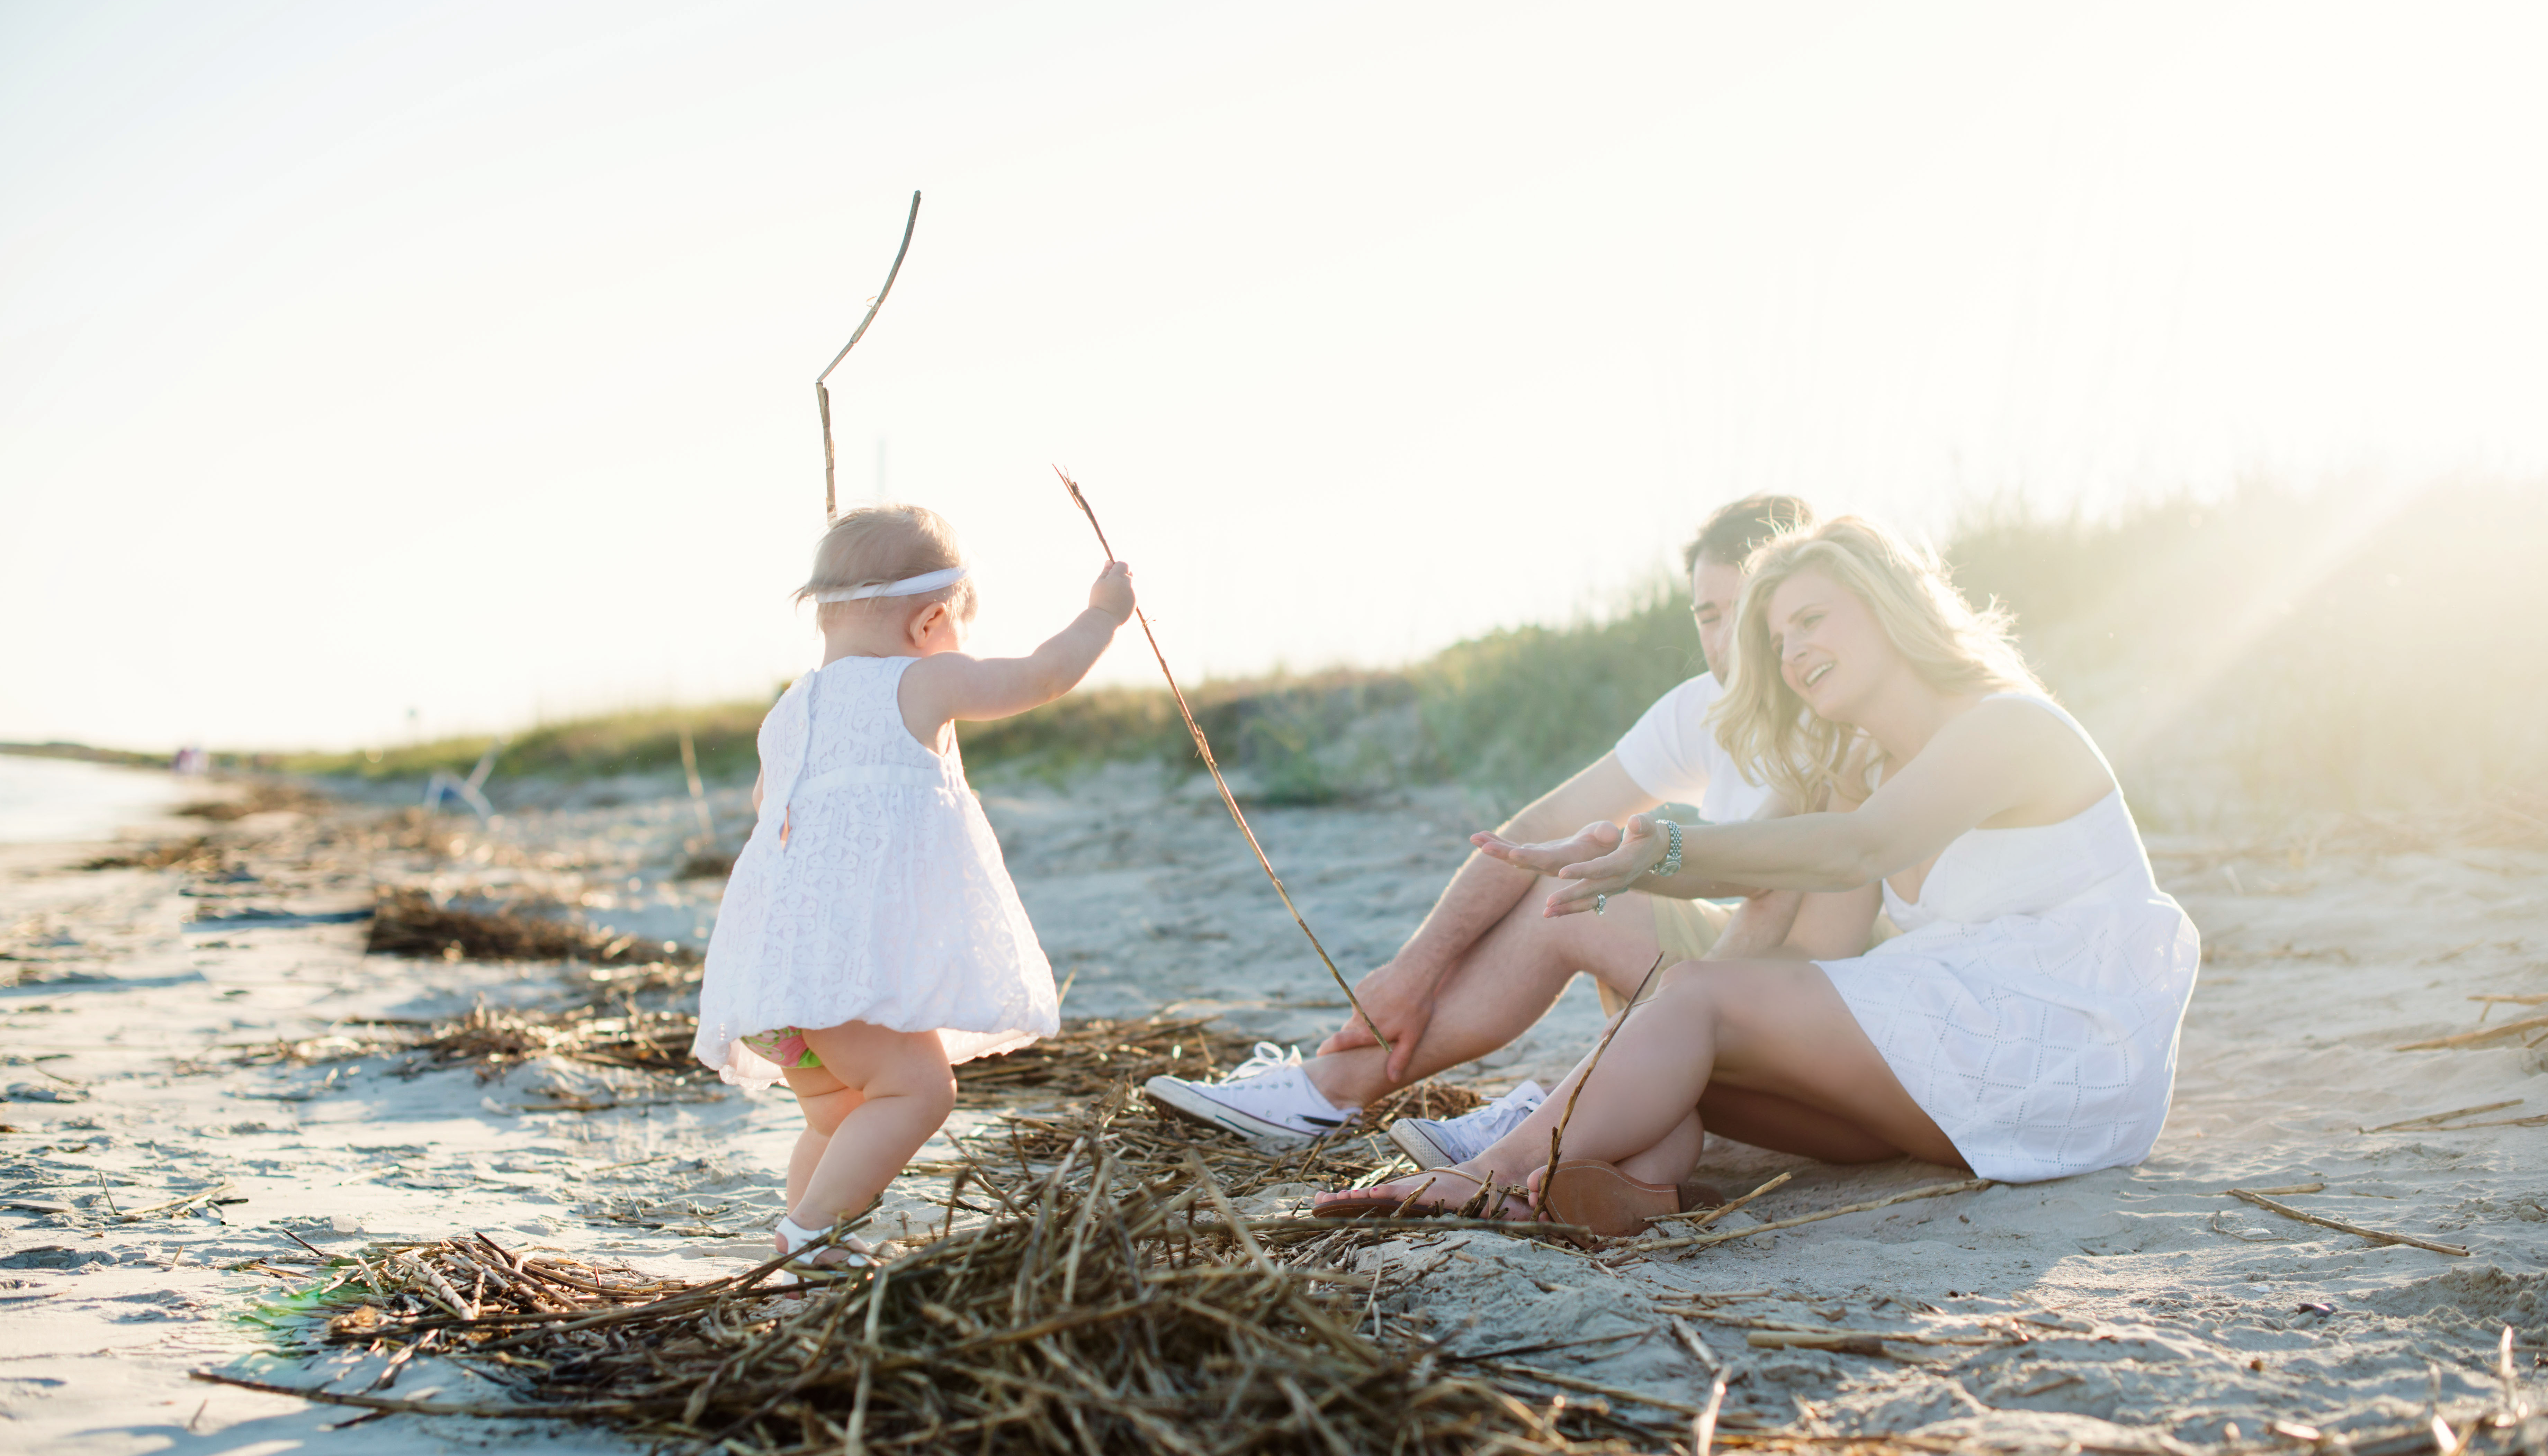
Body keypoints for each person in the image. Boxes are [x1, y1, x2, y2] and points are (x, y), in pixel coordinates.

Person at [1308, 515, 2199, 1235]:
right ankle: (1634, 1185)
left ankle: (1493, 1173)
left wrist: (1660, 858)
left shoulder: (2008, 726)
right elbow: (1809, 948)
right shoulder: (1860, 766)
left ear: (1888, 604)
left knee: (1692, 1000)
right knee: (1687, 1032)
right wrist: (1652, 935)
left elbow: (1857, 848)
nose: (1790, 651)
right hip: (1958, 1082)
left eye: (1811, 620)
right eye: (1775, 640)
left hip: (2064, 1052)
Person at [1146, 494, 1815, 1157]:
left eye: (1743, 610)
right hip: (1744, 970)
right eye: (1707, 615)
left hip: (1815, 1012)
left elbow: (1782, 906)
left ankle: (1531, 1109)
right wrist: (1412, 972)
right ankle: (1332, 1089)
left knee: (1590, 890)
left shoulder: (1830, 711)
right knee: (1565, 884)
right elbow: (1538, 828)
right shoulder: (1704, 706)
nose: (1724, 640)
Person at [691, 505, 1137, 1275]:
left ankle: (806, 1243)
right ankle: (811, 1230)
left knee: (840, 1116)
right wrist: (1102, 616)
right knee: (921, 1091)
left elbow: (768, 806)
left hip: (768, 978)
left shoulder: (789, 710)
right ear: (931, 622)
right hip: (838, 977)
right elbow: (1040, 676)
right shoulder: (921, 680)